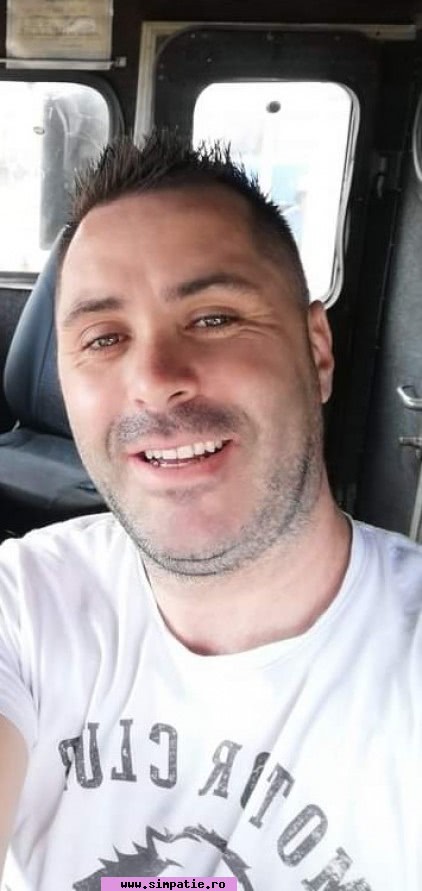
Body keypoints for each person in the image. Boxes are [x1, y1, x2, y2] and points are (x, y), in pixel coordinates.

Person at [0, 132, 420, 891]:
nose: (155, 378)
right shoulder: (23, 603)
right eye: (104, 338)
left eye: (214, 318)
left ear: (317, 350)